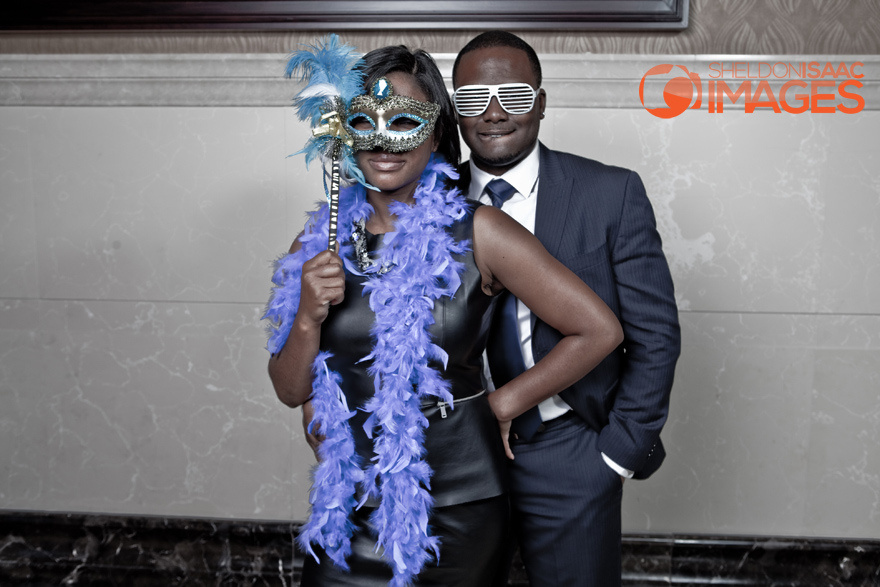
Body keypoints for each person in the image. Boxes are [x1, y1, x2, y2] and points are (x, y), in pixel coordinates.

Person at [265, 42, 623, 587]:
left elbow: (598, 330)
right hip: (350, 504)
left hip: (459, 505)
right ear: (343, 133)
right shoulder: (319, 243)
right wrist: (308, 318)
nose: (384, 140)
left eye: (405, 120)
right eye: (364, 120)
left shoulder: (479, 231)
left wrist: (503, 404)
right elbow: (291, 390)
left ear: (436, 133)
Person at [451, 31, 681, 587]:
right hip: (456, 450)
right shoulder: (426, 200)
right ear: (454, 112)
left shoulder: (611, 193)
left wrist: (616, 455)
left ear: (542, 102)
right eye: (473, 101)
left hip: (569, 446)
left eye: (515, 95)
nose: (494, 113)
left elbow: (655, 336)